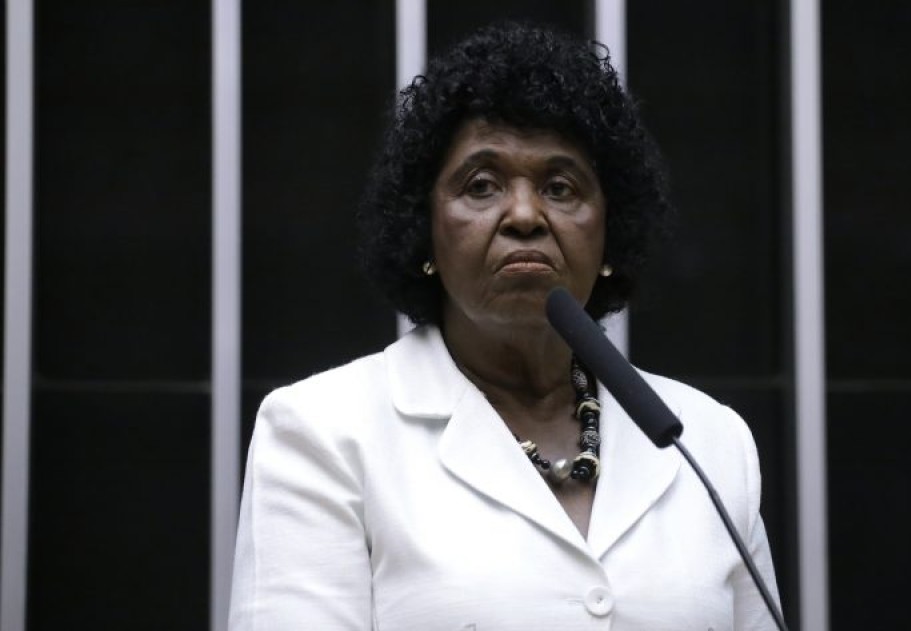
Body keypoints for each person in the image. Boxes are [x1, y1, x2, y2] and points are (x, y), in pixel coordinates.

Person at [228, 21, 781, 630]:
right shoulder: (323, 433)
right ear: (424, 230)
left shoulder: (707, 441)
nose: (524, 214)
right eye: (482, 185)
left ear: (610, 232)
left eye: (560, 187)